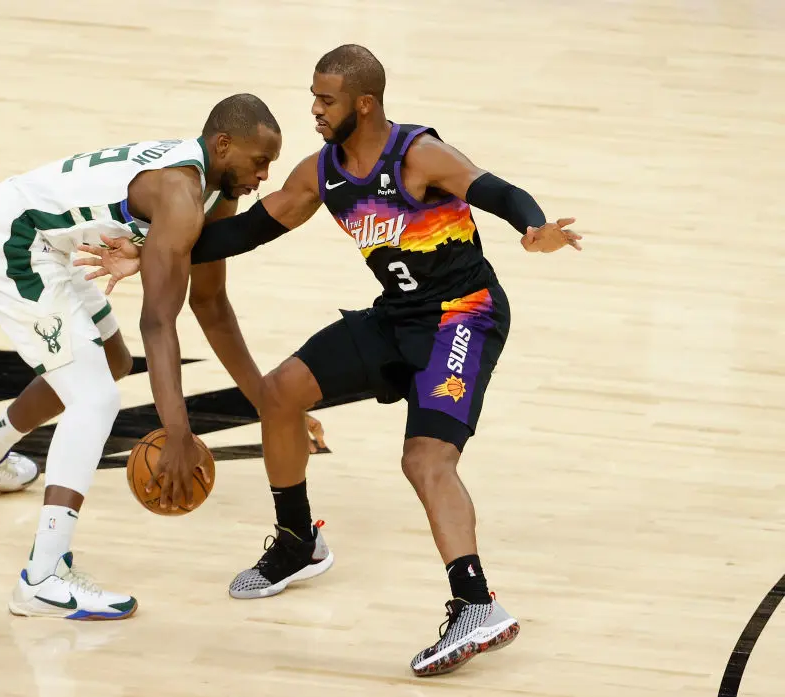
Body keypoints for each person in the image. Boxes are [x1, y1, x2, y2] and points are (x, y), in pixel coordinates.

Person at [75, 45, 582, 673]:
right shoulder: (322, 172)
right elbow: (249, 230)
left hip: (463, 315)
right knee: (281, 393)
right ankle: (297, 542)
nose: (314, 110)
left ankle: (476, 604)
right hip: (397, 317)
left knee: (425, 459)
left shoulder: (416, 153)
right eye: (314, 96)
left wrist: (534, 229)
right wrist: (151, 246)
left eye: (326, 99)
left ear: (363, 104)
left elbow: (497, 189)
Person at [0, 93, 326, 621]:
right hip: (12, 240)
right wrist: (177, 432)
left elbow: (211, 305)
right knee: (94, 397)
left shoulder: (215, 191)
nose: (263, 176)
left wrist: (269, 404)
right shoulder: (180, 194)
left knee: (109, 362)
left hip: (59, 244)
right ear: (223, 145)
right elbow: (158, 322)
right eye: (259, 162)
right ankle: (44, 577)